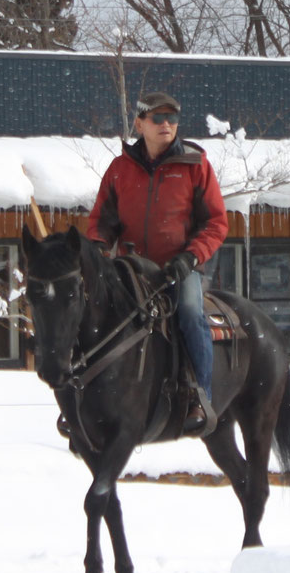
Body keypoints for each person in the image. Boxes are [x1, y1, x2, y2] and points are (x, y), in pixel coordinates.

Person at [87, 92, 228, 434]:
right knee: (92, 314)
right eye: (158, 117)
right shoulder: (120, 169)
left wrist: (191, 256)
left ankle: (199, 397)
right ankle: (83, 397)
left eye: (173, 117)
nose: (167, 124)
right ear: (140, 123)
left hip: (178, 268)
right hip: (130, 268)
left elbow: (216, 222)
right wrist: (97, 250)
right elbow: (102, 221)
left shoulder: (195, 165)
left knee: (192, 314)